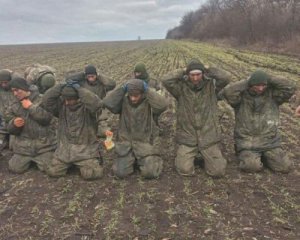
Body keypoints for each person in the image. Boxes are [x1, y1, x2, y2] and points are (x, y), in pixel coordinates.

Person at [162, 59, 230, 177]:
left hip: (208, 137)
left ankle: (205, 155)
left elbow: (226, 77)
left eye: (198, 74)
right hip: (188, 138)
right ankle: (194, 155)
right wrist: (183, 70)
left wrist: (208, 69)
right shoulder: (180, 89)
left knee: (218, 172)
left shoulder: (212, 87)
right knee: (184, 170)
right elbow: (166, 80)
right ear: (188, 75)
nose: (195, 78)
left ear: (203, 74)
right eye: (192, 74)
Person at [220, 70, 296, 173]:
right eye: (257, 85)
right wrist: (248, 80)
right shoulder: (240, 98)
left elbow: (290, 87)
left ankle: (266, 156)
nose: (260, 88)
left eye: (263, 85)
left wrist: (268, 77)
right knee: (251, 167)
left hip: (270, 142)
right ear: (250, 85)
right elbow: (228, 92)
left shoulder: (273, 96)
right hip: (248, 143)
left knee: (285, 167)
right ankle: (249, 156)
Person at [102, 78, 168, 179]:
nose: (133, 98)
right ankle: (132, 160)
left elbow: (163, 105)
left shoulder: (149, 103)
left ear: (142, 94)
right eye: (131, 95)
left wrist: (147, 90)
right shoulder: (123, 102)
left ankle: (152, 159)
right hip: (126, 146)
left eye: (136, 95)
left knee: (151, 173)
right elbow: (107, 102)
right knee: (120, 173)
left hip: (145, 145)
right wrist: (122, 89)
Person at [42, 79, 104, 180]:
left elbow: (97, 104)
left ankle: (88, 162)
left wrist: (80, 90)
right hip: (64, 152)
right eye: (65, 99)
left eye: (70, 99)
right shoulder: (61, 107)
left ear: (78, 98)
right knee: (53, 172)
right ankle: (68, 163)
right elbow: (46, 100)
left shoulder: (88, 109)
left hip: (85, 152)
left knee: (92, 174)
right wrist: (60, 86)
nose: (66, 102)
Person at [6, 77, 56, 173]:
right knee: (14, 168)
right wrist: (14, 124)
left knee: (51, 169)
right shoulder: (13, 105)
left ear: (25, 88)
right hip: (23, 148)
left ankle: (41, 159)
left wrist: (31, 107)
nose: (15, 94)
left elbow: (47, 119)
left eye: (17, 90)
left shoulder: (43, 99)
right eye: (13, 91)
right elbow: (9, 128)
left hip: (44, 146)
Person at [0, 69, 15, 150]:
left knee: (13, 147)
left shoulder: (17, 89)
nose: (3, 85)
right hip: (2, 124)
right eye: (1, 83)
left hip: (14, 125)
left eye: (5, 82)